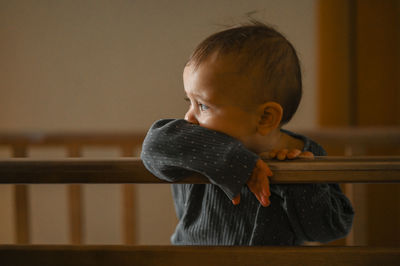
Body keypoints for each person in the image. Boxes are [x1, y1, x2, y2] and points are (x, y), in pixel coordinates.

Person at [141, 21, 354, 245]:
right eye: (190, 102)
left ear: (265, 118)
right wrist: (237, 162)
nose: (189, 118)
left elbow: (331, 229)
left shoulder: (306, 155)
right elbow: (153, 147)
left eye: (203, 105)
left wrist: (299, 181)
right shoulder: (191, 143)